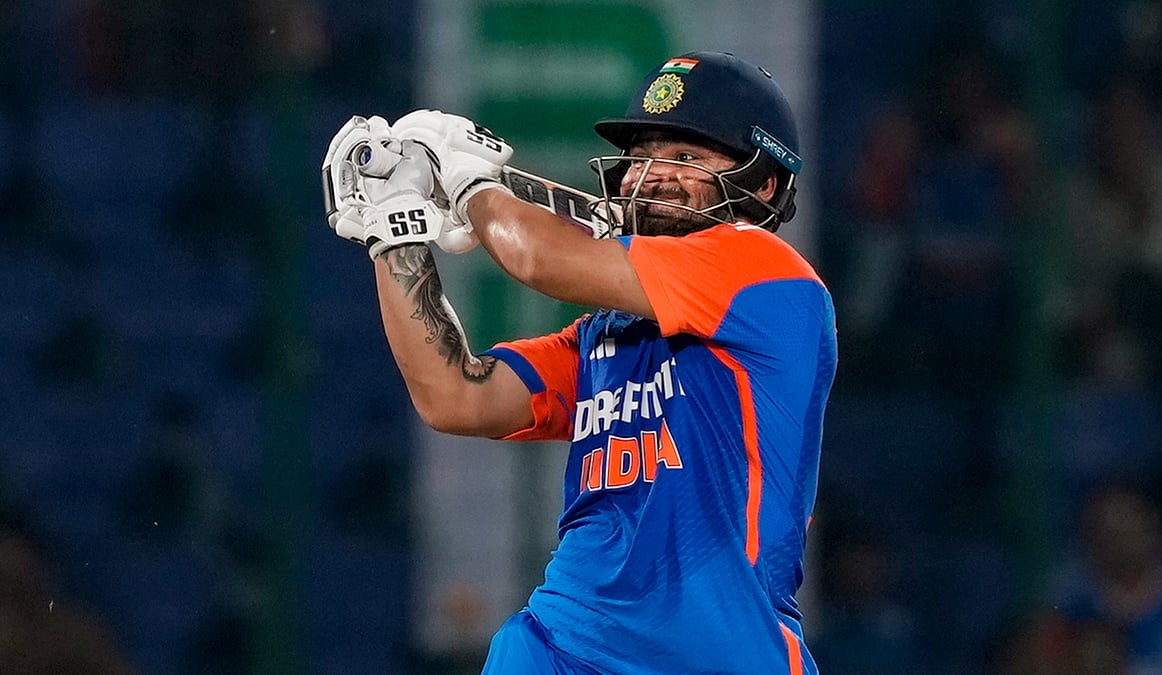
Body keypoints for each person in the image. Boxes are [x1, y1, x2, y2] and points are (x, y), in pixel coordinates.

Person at [322, 51, 836, 674]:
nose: (653, 176)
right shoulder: (606, 332)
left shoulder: (768, 276)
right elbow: (456, 397)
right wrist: (395, 235)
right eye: (642, 156)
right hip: (563, 647)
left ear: (764, 187)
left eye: (687, 158)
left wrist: (466, 181)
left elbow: (539, 258)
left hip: (716, 656)